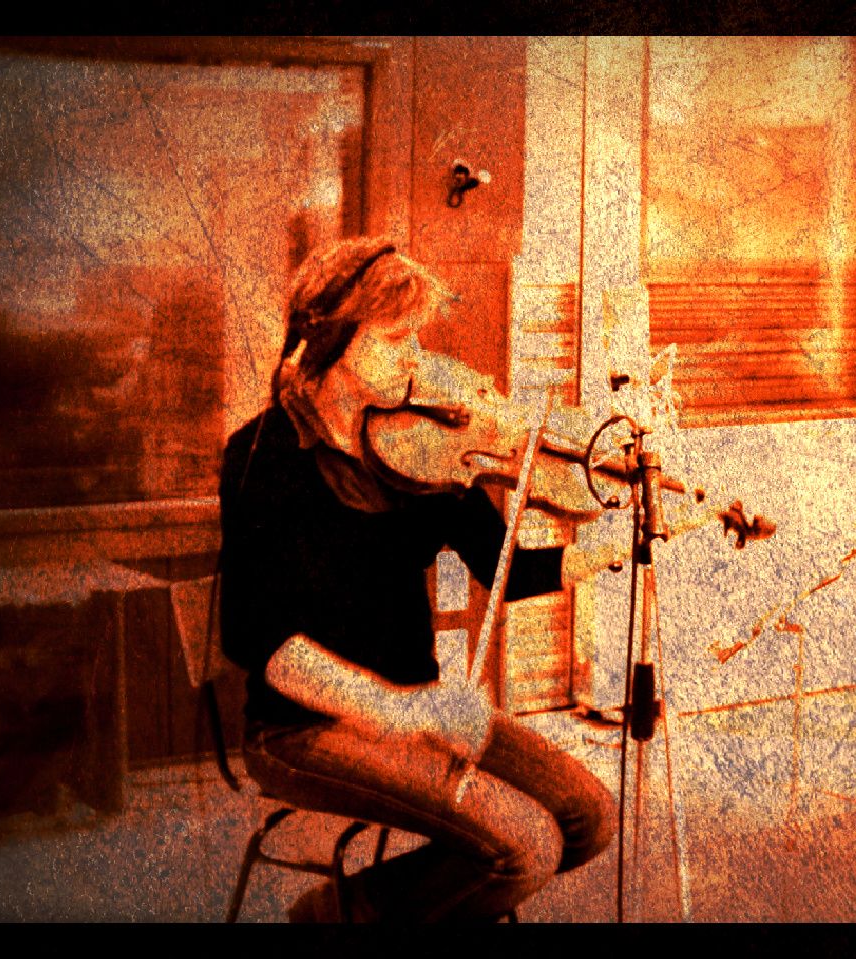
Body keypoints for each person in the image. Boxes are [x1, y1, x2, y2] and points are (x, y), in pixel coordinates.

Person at [218, 236, 616, 923]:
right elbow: (262, 641)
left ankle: (372, 912)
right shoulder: (266, 454)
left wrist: (609, 549)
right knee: (524, 846)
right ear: (333, 339)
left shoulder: (417, 442)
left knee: (587, 816)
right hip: (301, 729)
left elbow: (506, 568)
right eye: (396, 337)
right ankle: (332, 919)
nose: (416, 355)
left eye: (418, 337)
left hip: (417, 711)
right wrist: (402, 713)